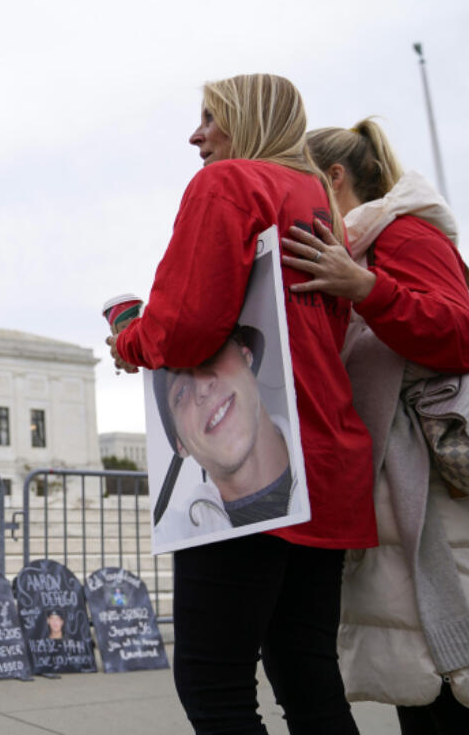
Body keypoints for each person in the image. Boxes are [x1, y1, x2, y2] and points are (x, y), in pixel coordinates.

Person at [109, 74, 375, 734]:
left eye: (211, 117)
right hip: (325, 457)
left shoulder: (226, 184)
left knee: (213, 680)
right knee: (309, 675)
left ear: (250, 121)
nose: (196, 134)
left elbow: (190, 326)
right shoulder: (318, 201)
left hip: (252, 474)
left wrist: (130, 339)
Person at [281, 118, 469, 733]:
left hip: (430, 481)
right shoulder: (358, 243)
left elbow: (458, 336)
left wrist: (367, 287)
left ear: (333, 178)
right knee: (420, 677)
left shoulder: (403, 232)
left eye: (301, 179)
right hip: (398, 478)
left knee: (459, 682)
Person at [153, 325, 293, 535]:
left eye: (212, 354)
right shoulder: (172, 535)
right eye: (181, 391)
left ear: (247, 357)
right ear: (180, 444)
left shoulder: (333, 464)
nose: (201, 387)